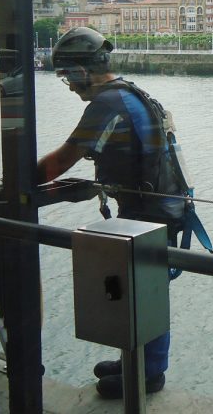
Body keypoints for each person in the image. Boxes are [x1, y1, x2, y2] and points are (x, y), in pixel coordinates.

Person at [37, 27, 185, 399]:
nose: (68, 84)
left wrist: (12, 182)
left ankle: (149, 374)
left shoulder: (106, 105)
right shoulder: (131, 94)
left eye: (67, 75)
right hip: (160, 208)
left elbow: (60, 161)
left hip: (144, 213)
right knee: (141, 289)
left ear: (83, 71)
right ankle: (135, 361)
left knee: (143, 289)